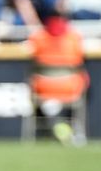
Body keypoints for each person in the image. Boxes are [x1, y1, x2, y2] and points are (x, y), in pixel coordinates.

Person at [29, 14, 88, 144]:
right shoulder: (74, 37)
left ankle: (54, 116)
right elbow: (80, 60)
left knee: (32, 81)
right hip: (70, 87)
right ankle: (69, 128)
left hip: (43, 87)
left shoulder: (38, 37)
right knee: (83, 78)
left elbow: (31, 54)